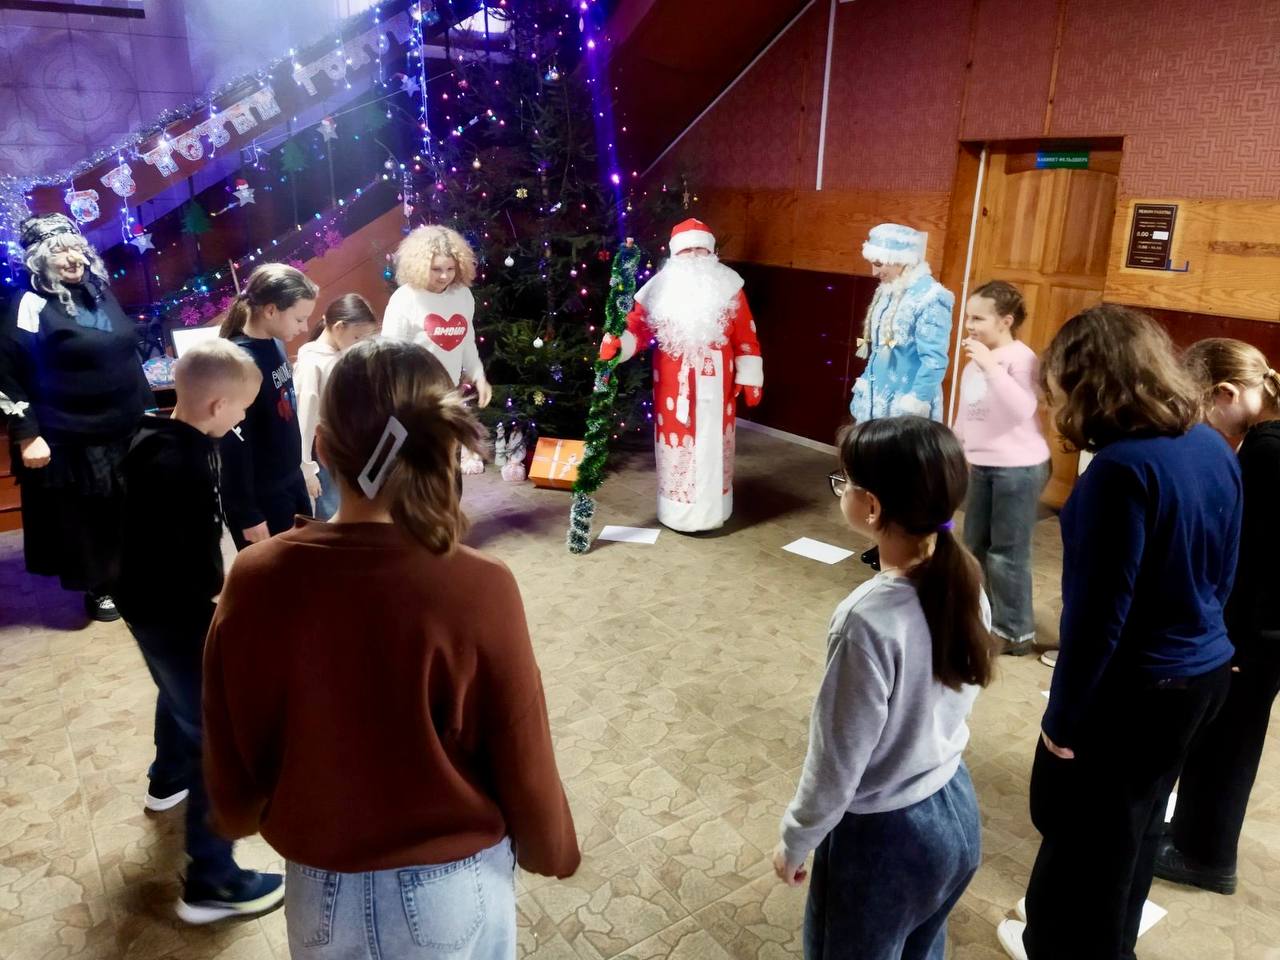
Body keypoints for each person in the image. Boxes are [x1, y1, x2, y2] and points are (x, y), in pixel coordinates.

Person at [202, 338, 581, 958]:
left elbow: (228, 716)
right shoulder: (480, 585)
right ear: (445, 447)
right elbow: (519, 738)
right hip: (451, 891)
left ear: (322, 446)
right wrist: (550, 844)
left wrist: (236, 809)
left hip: (319, 893)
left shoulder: (256, 576)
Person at [1003, 306, 1241, 960]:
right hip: (1201, 676)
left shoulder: (1119, 469)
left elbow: (1095, 621)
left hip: (1141, 691)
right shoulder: (1209, 443)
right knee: (1134, 832)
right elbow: (1224, 569)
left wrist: (1061, 725)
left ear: (1087, 383)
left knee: (1085, 856)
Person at [775, 416, 991, 960]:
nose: (841, 491)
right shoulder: (965, 580)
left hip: (884, 839)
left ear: (871, 506)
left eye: (843, 481)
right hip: (956, 808)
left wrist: (797, 839)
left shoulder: (866, 620)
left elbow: (837, 759)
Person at [114, 339, 283, 923]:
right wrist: (230, 597)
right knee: (217, 736)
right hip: (173, 610)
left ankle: (166, 778)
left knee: (179, 691)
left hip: (146, 607)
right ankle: (212, 881)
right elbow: (194, 564)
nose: (242, 420)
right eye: (242, 410)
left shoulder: (156, 435)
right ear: (217, 406)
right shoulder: (181, 463)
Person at [1153, 338, 1280, 896]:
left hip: (1257, 629)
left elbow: (1250, 560)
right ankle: (1193, 835)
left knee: (1228, 741)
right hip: (1263, 625)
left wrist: (1228, 637)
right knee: (1227, 736)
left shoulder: (1266, 452)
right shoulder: (1268, 441)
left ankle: (1204, 854)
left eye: (1201, 403)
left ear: (1225, 393)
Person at [0, 213, 153, 622]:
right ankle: (100, 586)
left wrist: (148, 408)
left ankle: (130, 573)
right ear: (37, 261)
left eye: (76, 248)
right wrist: (26, 433)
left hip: (126, 425)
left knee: (130, 508)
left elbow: (126, 351)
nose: (72, 259)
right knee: (91, 517)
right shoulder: (28, 304)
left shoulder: (97, 289)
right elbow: (6, 373)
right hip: (73, 435)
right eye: (59, 252)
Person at [598, 218, 764, 532]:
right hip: (673, 386)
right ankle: (678, 510)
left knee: (716, 443)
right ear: (675, 254)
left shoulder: (730, 285)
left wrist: (749, 376)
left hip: (719, 384)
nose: (694, 256)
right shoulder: (659, 288)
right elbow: (638, 327)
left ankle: (716, 507)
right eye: (687, 250)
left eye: (701, 250)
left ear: (711, 253)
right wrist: (619, 344)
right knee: (679, 443)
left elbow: (746, 334)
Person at [952, 280, 1051, 655]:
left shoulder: (1020, 359)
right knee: (976, 544)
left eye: (978, 319)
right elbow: (968, 413)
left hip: (1017, 469)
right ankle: (986, 618)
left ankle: (1016, 632)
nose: (969, 326)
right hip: (983, 465)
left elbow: (1022, 409)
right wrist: (954, 448)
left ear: (1006, 321)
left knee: (1007, 552)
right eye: (968, 318)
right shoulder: (978, 361)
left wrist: (992, 367)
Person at [850, 223, 954, 570]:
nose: (874, 271)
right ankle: (886, 540)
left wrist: (914, 404)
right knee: (880, 477)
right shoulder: (887, 291)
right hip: (879, 400)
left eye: (880, 263)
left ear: (903, 259)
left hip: (906, 405)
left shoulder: (932, 298)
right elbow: (877, 348)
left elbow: (934, 361)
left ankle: (920, 548)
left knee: (909, 479)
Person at [218, 263, 319, 549]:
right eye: (299, 319)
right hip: (262, 496)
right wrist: (247, 513)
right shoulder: (237, 362)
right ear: (271, 310)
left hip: (289, 481)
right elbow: (232, 448)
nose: (305, 327)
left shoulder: (275, 343)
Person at [381, 224, 492, 408]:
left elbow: (467, 342)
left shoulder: (462, 294)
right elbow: (389, 354)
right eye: (436, 269)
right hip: (414, 398)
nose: (444, 276)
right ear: (420, 266)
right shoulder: (404, 298)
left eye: (450, 269)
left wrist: (478, 376)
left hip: (450, 393)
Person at [294, 293, 378, 520]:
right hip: (328, 449)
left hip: (348, 445)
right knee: (333, 512)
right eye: (357, 337)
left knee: (351, 507)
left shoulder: (340, 354)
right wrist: (306, 468)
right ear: (339, 327)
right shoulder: (312, 363)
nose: (359, 344)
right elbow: (304, 418)